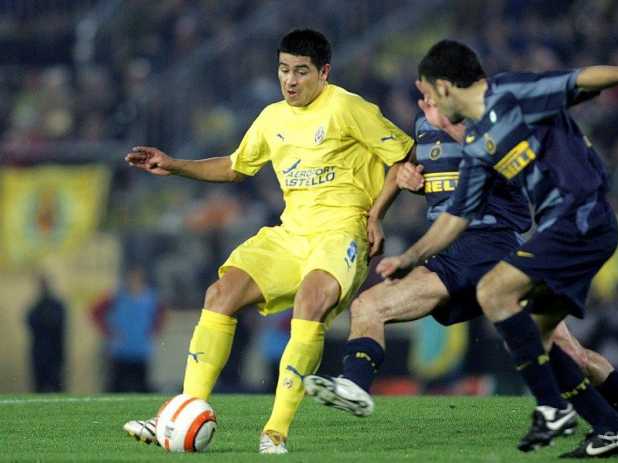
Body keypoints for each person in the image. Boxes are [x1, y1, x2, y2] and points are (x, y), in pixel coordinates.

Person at [377, 40, 618, 457]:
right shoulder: (479, 142)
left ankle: (553, 410)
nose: (425, 104)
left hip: (580, 218)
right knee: (550, 342)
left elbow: (578, 81)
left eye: (428, 94)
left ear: (445, 88)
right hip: (561, 231)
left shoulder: (510, 94)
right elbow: (457, 216)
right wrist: (410, 258)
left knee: (495, 293)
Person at [122, 29, 414, 454]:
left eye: (301, 71)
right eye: (283, 70)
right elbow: (235, 167)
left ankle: (275, 433)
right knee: (220, 293)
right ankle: (181, 413)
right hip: (290, 234)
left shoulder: (348, 107)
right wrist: (175, 165)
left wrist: (376, 215)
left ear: (324, 72)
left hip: (340, 232)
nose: (290, 81)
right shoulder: (272, 117)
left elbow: (404, 158)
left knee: (311, 299)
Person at [304, 113, 618, 444]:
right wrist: (398, 189)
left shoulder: (489, 122)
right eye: (422, 95)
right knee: (368, 306)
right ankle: (353, 385)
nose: (425, 103)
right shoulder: (424, 125)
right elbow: (405, 165)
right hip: (450, 254)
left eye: (431, 93)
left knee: (569, 353)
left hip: (495, 247)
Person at [91, 266, 165, 392]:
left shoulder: (150, 298)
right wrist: (108, 331)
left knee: (141, 385)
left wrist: (154, 331)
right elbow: (95, 311)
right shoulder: (116, 296)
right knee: (116, 386)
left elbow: (162, 314)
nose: (134, 282)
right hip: (120, 350)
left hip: (141, 350)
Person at [26, 275, 66, 392]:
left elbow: (56, 324)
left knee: (56, 384)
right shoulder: (36, 306)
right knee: (39, 385)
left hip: (54, 351)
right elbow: (30, 322)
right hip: (39, 352)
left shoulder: (56, 306)